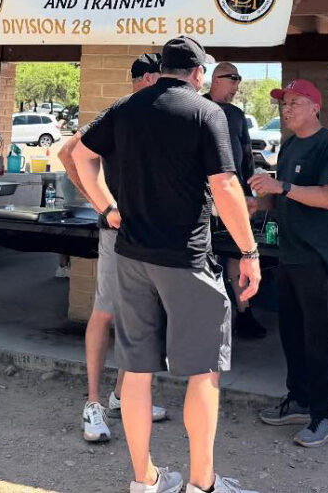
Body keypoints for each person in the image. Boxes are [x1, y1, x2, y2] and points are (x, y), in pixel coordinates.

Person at [72, 36, 261, 493]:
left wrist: (107, 208)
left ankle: (145, 479)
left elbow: (78, 155)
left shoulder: (125, 108)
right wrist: (249, 252)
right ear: (197, 73)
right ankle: (202, 484)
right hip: (186, 258)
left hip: (131, 256)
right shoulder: (206, 112)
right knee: (204, 371)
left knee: (136, 372)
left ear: (162, 69)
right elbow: (226, 186)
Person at [58, 52, 168, 444]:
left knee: (141, 316)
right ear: (148, 78)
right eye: (163, 76)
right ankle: (93, 404)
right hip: (118, 232)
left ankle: (123, 395)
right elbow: (68, 152)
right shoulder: (119, 113)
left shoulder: (160, 116)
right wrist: (102, 205)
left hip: (152, 234)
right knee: (104, 312)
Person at [249, 78, 328, 448]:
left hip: (316, 256)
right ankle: (299, 400)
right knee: (291, 333)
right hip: (288, 253)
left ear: (315, 107)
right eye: (284, 103)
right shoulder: (290, 145)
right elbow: (282, 196)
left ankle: (324, 416)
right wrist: (258, 202)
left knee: (316, 338)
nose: (286, 109)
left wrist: (282, 187)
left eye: (293, 102)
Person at [204, 61, 265, 339]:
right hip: (204, 197)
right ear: (216, 78)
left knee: (238, 252)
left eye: (239, 82)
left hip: (234, 194)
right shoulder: (199, 106)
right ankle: (208, 317)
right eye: (233, 80)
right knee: (206, 254)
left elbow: (246, 154)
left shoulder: (238, 115)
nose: (236, 88)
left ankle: (245, 313)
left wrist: (249, 193)